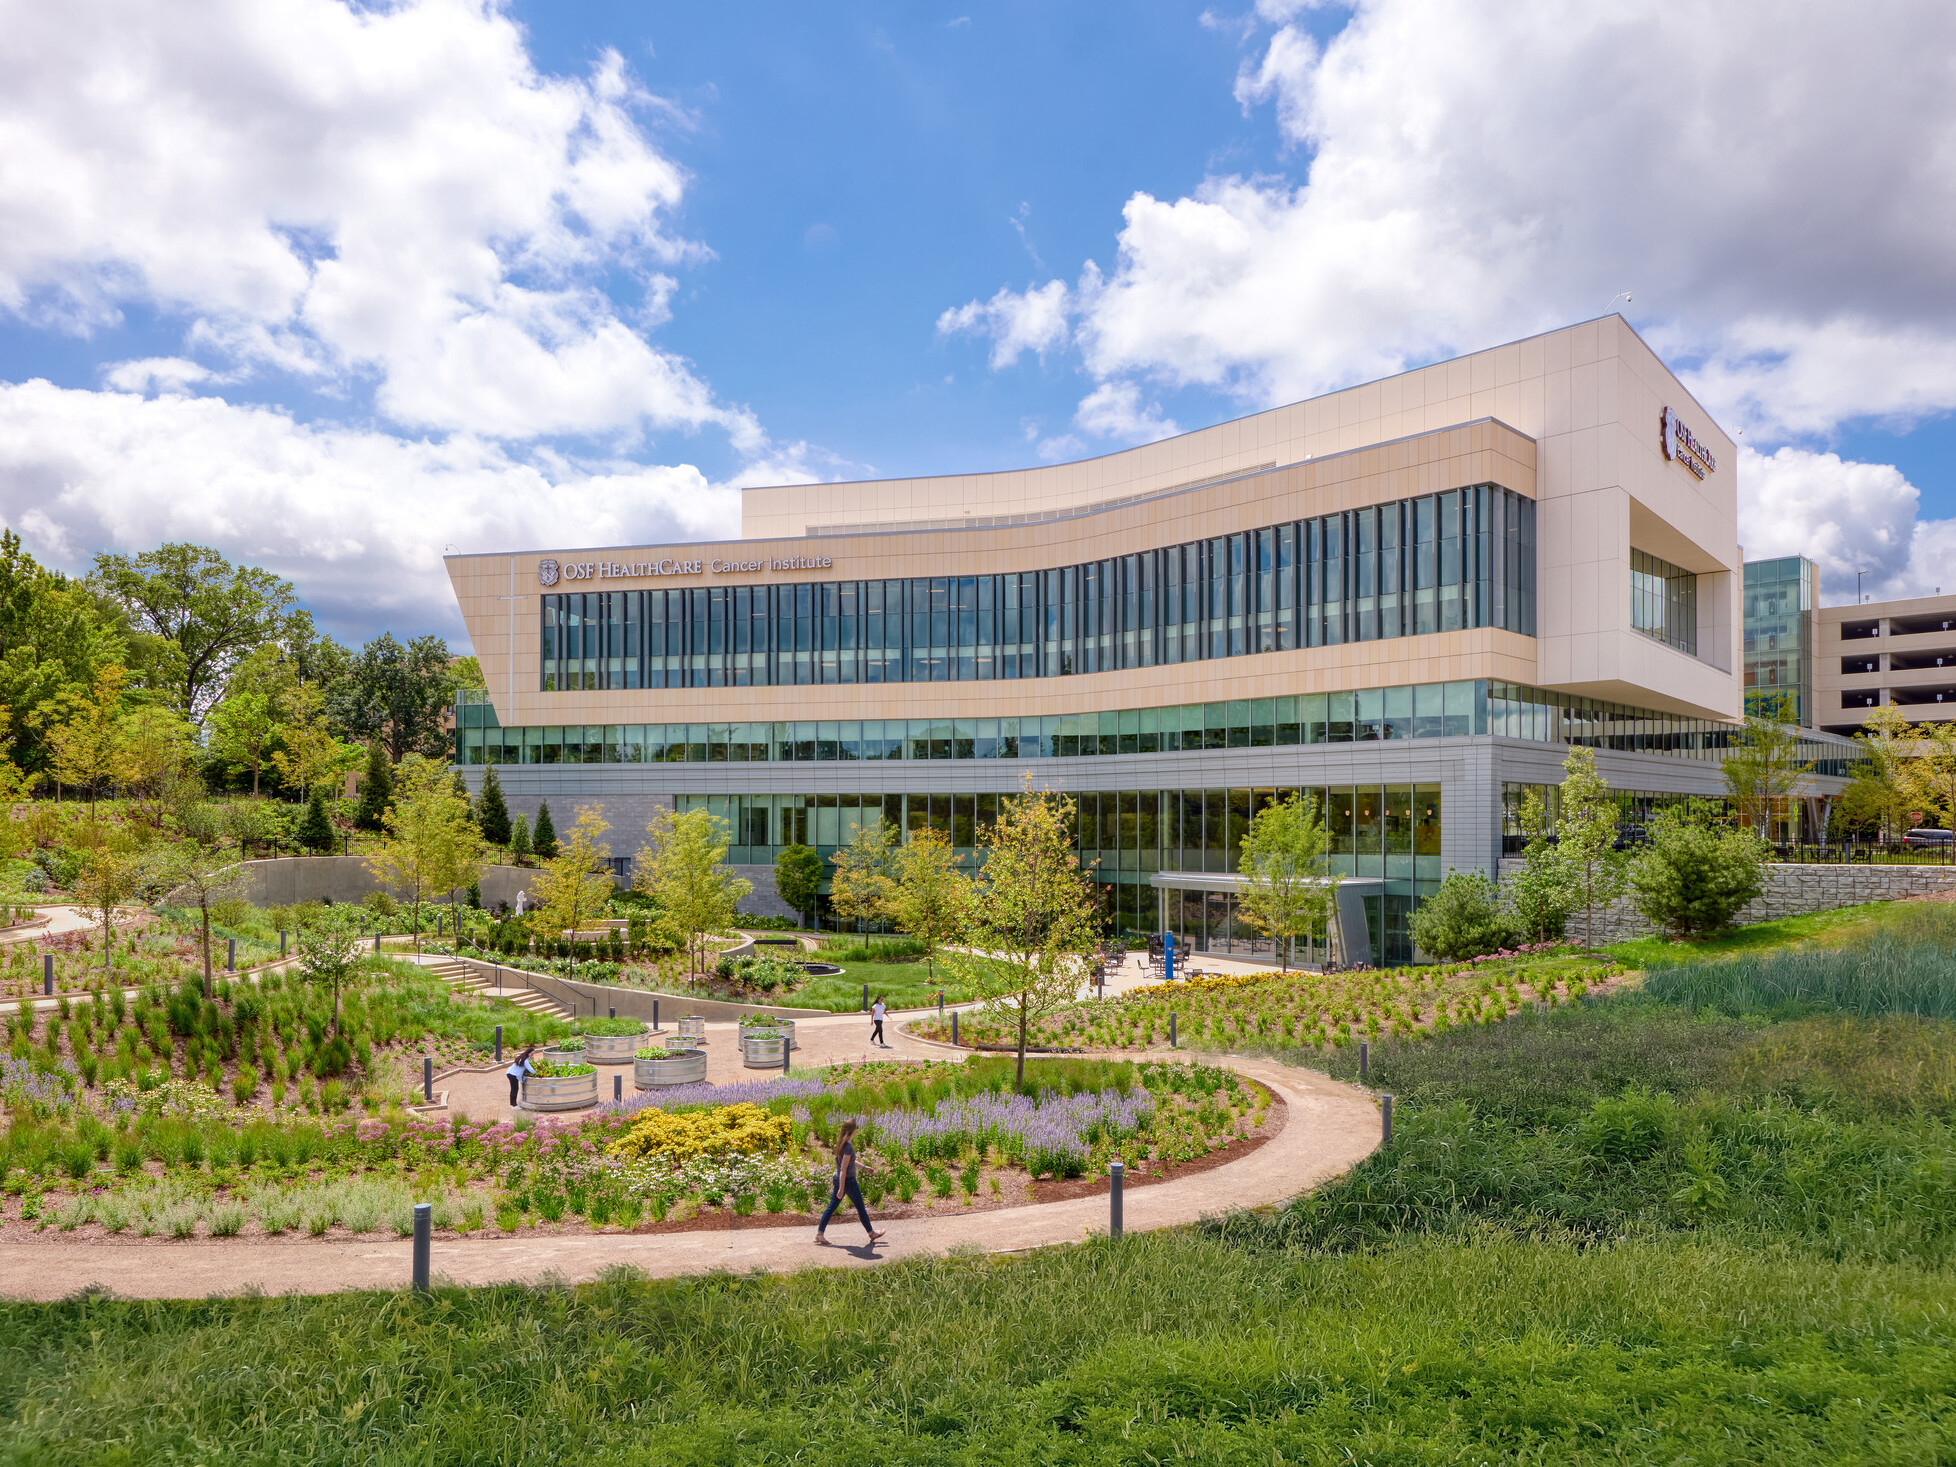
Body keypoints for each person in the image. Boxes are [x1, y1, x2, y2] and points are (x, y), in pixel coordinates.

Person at [815, 1119, 884, 1246]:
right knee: (860, 1207)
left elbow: (849, 1163)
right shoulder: (848, 1147)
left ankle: (820, 1234)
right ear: (853, 1131)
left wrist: (864, 1167)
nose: (857, 1130)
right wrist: (842, 1188)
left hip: (839, 1178)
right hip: (848, 1181)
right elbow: (843, 1168)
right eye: (856, 1128)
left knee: (831, 1207)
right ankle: (872, 1233)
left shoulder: (840, 1144)